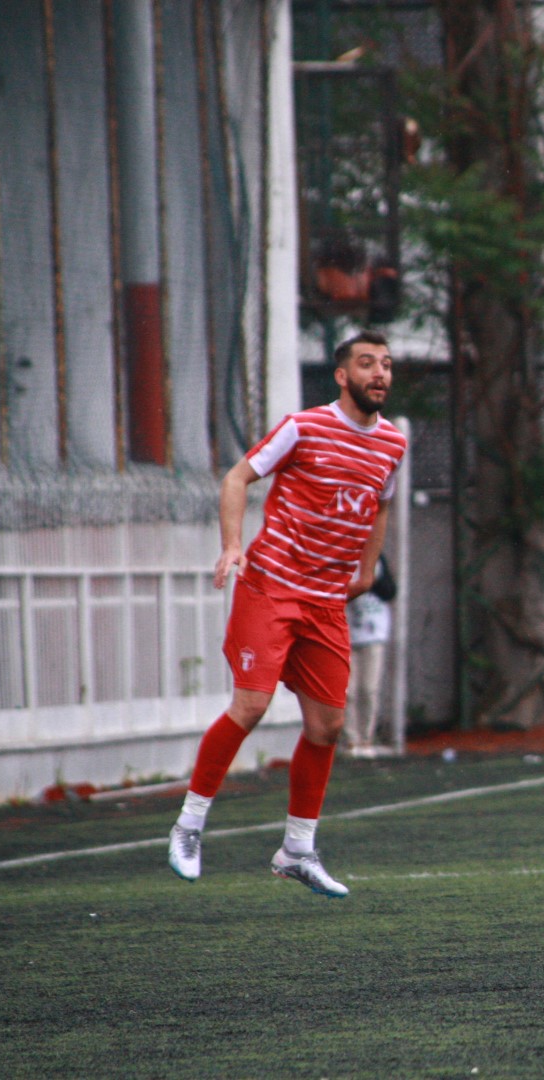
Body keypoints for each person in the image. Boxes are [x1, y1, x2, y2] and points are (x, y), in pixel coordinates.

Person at [167, 330, 407, 898]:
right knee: (250, 705)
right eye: (367, 364)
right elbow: (237, 478)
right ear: (342, 376)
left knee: (328, 727)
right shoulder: (304, 426)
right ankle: (189, 826)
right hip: (270, 588)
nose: (381, 374)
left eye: (388, 365)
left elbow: (382, 503)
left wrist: (368, 571)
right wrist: (232, 545)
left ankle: (297, 849)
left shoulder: (392, 443)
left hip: (325, 603)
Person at [345, 554, 396, 757]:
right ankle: (351, 739)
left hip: (373, 631)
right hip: (348, 631)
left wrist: (372, 579)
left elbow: (390, 591)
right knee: (348, 690)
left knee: (368, 688)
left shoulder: (378, 559)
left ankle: (366, 738)